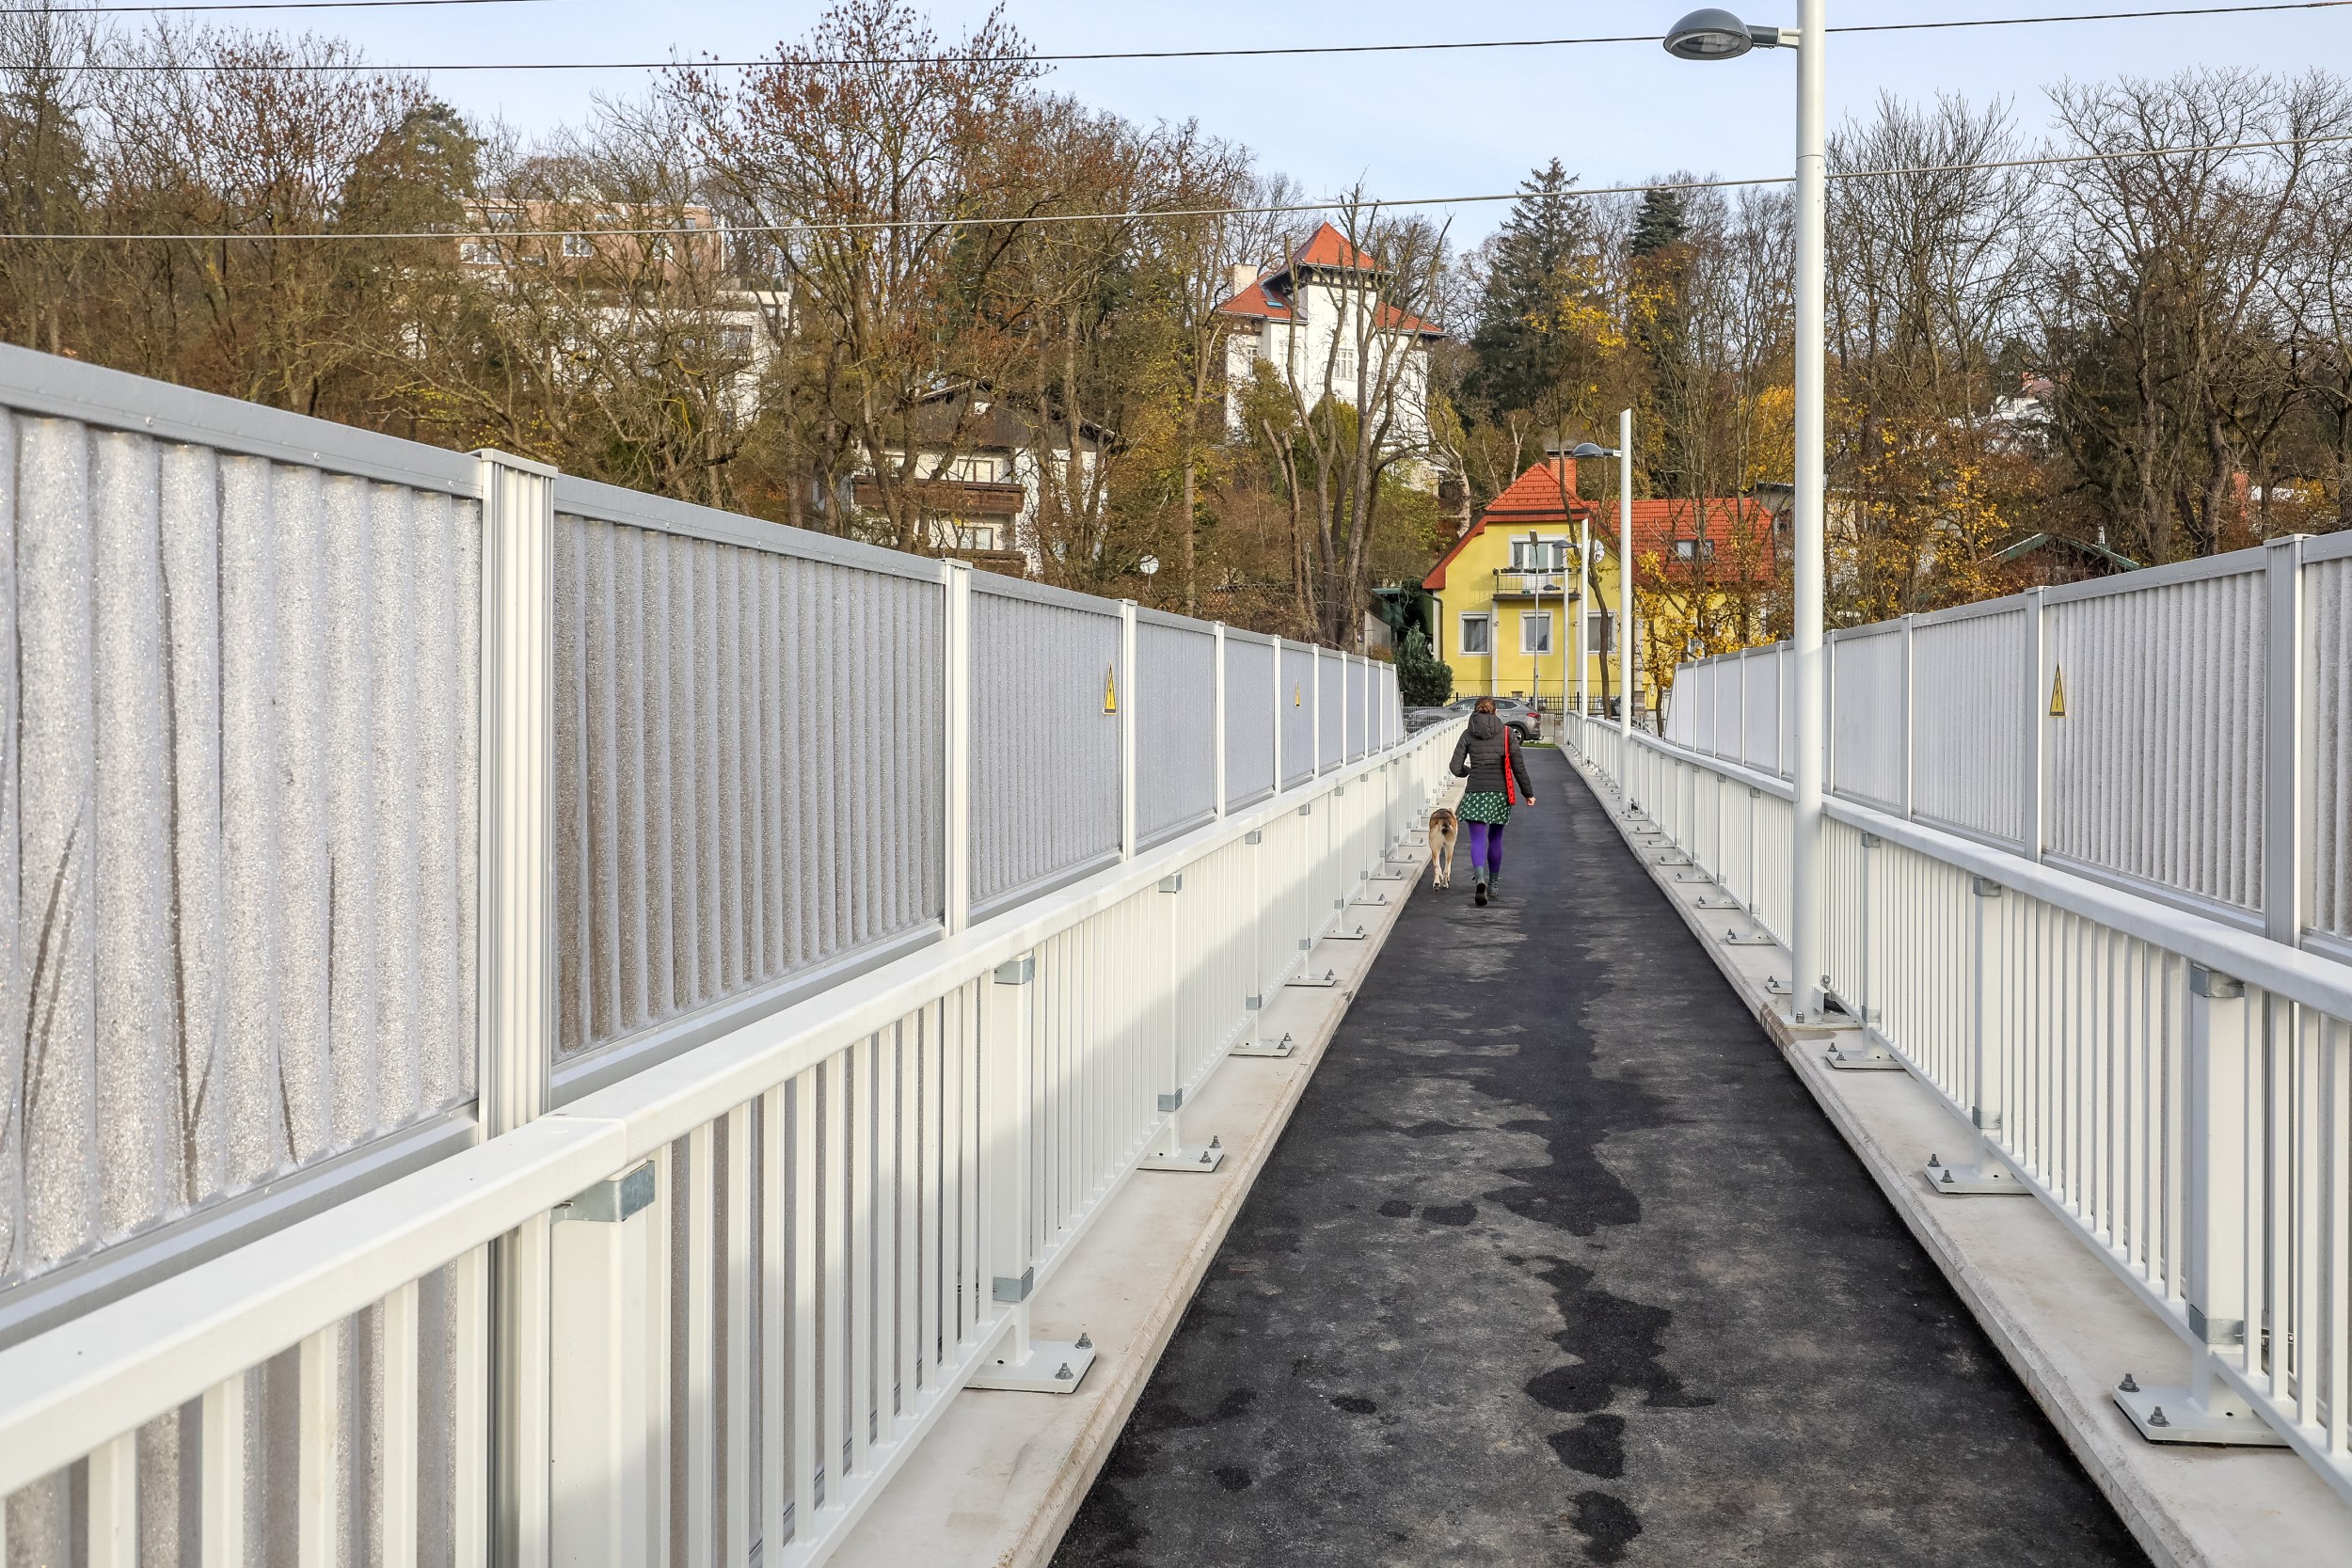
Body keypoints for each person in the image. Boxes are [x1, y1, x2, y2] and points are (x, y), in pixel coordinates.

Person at [1448, 698, 1534, 906]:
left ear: (1475, 711)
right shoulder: (1506, 734)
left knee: (1477, 840)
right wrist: (1527, 793)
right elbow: (1518, 767)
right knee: (1495, 839)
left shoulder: (1468, 734)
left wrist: (1467, 771)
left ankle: (1479, 878)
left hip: (1476, 791)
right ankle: (1493, 884)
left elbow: (1454, 766)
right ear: (1495, 712)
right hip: (1500, 793)